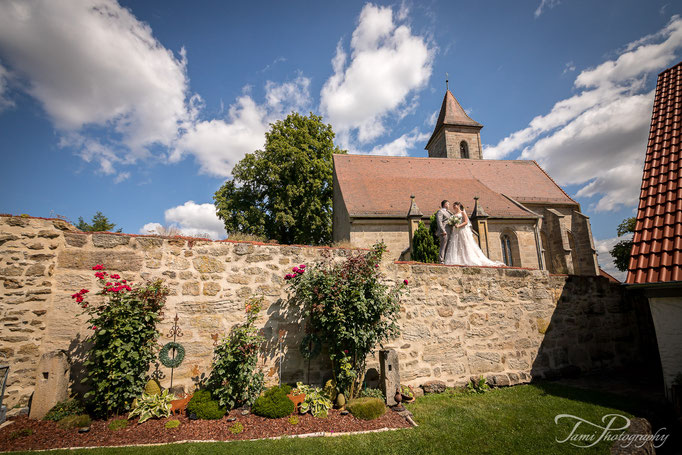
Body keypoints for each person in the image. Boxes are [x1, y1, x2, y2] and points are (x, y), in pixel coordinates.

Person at [443, 202, 505, 267]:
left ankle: (468, 259)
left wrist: (459, 226)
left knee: (465, 244)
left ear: (458, 206)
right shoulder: (454, 215)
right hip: (456, 232)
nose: (453, 207)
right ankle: (458, 259)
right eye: (453, 206)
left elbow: (466, 222)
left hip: (462, 230)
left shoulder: (462, 212)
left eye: (455, 205)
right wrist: (453, 224)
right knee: (457, 245)